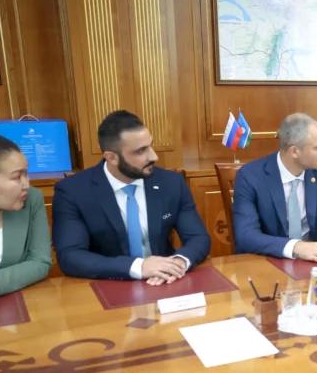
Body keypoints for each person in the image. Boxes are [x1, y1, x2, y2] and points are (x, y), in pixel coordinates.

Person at [52, 110, 211, 283]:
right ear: (112, 158)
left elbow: (198, 237)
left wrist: (177, 263)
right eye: (141, 151)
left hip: (164, 281)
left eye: (150, 145)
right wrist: (137, 267)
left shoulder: (171, 182)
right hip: (109, 284)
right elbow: (70, 256)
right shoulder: (73, 191)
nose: (154, 156)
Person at [233, 113, 317, 263]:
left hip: (316, 261)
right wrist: (296, 247)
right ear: (294, 152)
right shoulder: (250, 176)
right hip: (267, 260)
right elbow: (246, 236)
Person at [0, 132, 51, 307]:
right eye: (17, 177)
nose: (27, 184)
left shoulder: (31, 199)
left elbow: (40, 262)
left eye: (26, 173)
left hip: (21, 307)